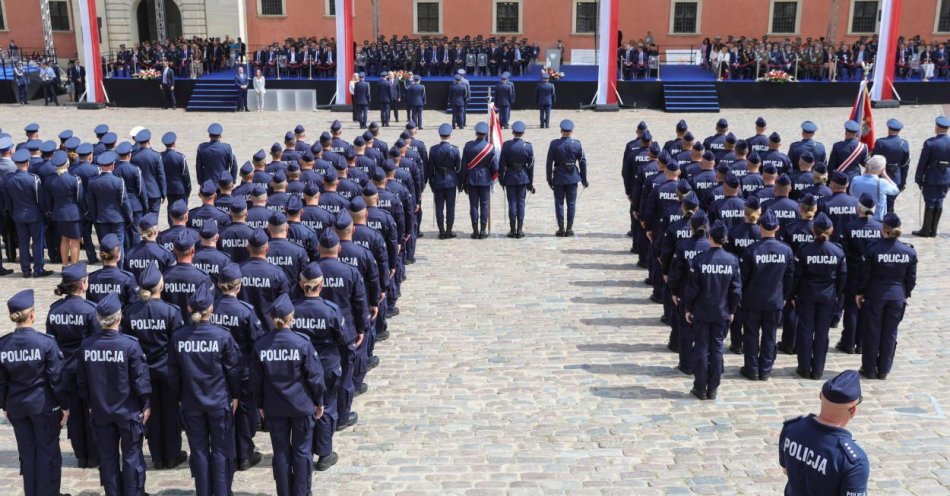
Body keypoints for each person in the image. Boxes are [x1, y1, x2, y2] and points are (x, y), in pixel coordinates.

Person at [169, 282, 241, 496]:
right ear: (212, 309)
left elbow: (172, 372)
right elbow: (233, 370)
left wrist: (180, 395)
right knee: (221, 450)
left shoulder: (179, 336)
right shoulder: (222, 336)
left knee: (199, 451)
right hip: (218, 401)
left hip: (191, 401)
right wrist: (235, 394)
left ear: (189, 309)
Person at [78, 293, 152, 496]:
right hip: (127, 411)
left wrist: (90, 403)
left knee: (108, 458)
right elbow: (140, 380)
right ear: (119, 318)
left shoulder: (87, 345)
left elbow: (82, 381)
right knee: (131, 457)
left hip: (101, 410)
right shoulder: (129, 345)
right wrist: (146, 403)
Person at [251, 294, 326, 496]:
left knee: (281, 453)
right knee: (302, 452)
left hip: (274, 407)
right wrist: (319, 401)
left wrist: (260, 404)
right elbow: (315, 377)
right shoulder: (301, 343)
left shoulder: (261, 345)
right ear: (291, 317)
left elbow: (256, 380)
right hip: (301, 406)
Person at [0, 289, 69, 496]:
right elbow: (57, 379)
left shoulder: (3, 345)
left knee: (27, 454)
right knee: (48, 453)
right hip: (44, 406)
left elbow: (1, 382)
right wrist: (64, 405)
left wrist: (5, 405)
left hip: (18, 407)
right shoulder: (45, 342)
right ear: (32, 315)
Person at [121, 262, 187, 470]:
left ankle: (157, 455)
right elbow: (178, 343)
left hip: (142, 371)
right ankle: (172, 454)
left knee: (150, 413)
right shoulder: (171, 311)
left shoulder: (131, 312)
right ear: (162, 286)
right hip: (166, 370)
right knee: (170, 413)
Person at [293, 263, 348, 471]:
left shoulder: (293, 310)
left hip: (300, 366)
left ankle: (304, 448)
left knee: (305, 406)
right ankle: (324, 452)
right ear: (321, 285)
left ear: (301, 284)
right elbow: (343, 338)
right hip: (326, 364)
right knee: (327, 406)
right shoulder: (330, 310)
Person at [779, 370, 869, 495]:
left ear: (820, 395)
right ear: (853, 410)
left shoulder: (791, 429)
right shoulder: (853, 461)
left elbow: (787, 470)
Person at [212, 263, 265, 470]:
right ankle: (243, 454)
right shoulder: (245, 311)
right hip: (241, 371)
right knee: (243, 413)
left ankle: (226, 453)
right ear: (239, 286)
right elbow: (257, 342)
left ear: (219, 285)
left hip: (216, 372)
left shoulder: (211, 309)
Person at [46, 265, 100, 469]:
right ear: (84, 284)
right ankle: (93, 455)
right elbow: (96, 343)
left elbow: (51, 342)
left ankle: (81, 455)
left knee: (74, 414)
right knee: (91, 411)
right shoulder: (90, 310)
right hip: (86, 369)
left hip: (63, 369)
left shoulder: (54, 310)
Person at [683, 220, 741, 400]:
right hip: (722, 311)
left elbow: (692, 288)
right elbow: (736, 289)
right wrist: (732, 310)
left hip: (701, 310)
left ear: (710, 237)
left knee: (701, 347)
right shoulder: (732, 260)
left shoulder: (700, 259)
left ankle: (700, 386)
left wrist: (688, 307)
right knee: (716, 349)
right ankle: (713, 387)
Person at [857, 213, 917, 380]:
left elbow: (865, 275)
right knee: (890, 333)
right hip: (897, 296)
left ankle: (869, 368)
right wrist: (906, 294)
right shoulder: (908, 251)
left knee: (872, 331)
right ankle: (884, 369)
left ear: (883, 230)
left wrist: (859, 292)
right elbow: (911, 278)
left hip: (875, 295)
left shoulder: (873, 249)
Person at [739, 211, 794, 381]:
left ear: (760, 227)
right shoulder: (786, 250)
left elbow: (743, 277)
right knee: (770, 335)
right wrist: (784, 296)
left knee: (751, 334)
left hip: (752, 299)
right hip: (775, 299)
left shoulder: (751, 250)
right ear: (777, 228)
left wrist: (741, 296)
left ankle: (752, 368)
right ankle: (765, 369)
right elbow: (789, 276)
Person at [793, 212, 846, 380]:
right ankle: (818, 369)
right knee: (822, 333)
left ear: (812, 231)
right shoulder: (837, 251)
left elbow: (798, 275)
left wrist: (793, 294)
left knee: (806, 331)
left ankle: (804, 366)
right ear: (831, 230)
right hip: (828, 295)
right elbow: (843, 276)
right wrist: (838, 295)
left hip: (807, 294)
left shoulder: (804, 249)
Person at [4, 149, 52, 278]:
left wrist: (13, 213)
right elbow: (39, 199)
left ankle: (25, 270)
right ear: (28, 162)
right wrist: (45, 213)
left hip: (18, 215)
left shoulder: (9, 180)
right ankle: (38, 269)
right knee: (37, 242)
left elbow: (9, 202)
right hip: (35, 215)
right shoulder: (33, 179)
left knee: (23, 243)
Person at [546, 119, 588, 237]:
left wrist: (549, 178)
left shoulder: (554, 144)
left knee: (559, 203)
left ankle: (561, 228)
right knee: (571, 203)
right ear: (572, 131)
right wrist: (584, 179)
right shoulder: (577, 144)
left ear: (561, 130)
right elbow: (582, 162)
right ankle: (569, 229)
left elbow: (549, 163)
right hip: (572, 177)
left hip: (559, 176)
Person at [45, 149, 84, 269]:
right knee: (75, 240)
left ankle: (64, 265)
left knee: (64, 239)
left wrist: (50, 211)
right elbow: (80, 198)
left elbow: (47, 199)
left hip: (59, 213)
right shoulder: (74, 179)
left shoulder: (49, 180)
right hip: (73, 213)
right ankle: (74, 266)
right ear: (67, 163)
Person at [87, 151, 133, 252]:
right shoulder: (118, 181)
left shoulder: (92, 182)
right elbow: (124, 201)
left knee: (105, 245)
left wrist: (95, 218)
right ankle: (119, 266)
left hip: (102, 218)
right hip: (118, 218)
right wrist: (129, 217)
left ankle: (107, 266)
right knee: (119, 245)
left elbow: (91, 203)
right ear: (113, 166)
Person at [912, 115, 950, 237]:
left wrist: (918, 178)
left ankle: (925, 230)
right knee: (939, 201)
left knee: (930, 201)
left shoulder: (930, 143)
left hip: (932, 177)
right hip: (946, 177)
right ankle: (933, 230)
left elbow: (923, 162)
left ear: (937, 128)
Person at [460, 122, 498, 239]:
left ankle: (475, 230)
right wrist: (493, 178)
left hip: (471, 178)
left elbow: (464, 166)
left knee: (473, 206)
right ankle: (483, 230)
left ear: (476, 133)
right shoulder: (490, 148)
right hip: (485, 178)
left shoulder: (468, 146)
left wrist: (463, 181)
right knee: (484, 205)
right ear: (486, 134)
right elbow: (495, 167)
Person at [499, 121, 535, 238]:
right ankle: (519, 229)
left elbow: (501, 164)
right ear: (523, 133)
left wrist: (501, 179)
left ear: (513, 132)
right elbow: (531, 167)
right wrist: (530, 182)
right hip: (523, 177)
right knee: (520, 203)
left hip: (510, 177)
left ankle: (512, 229)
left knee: (512, 203)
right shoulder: (528, 146)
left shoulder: (506, 145)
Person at [427, 123, 461, 239]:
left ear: (440, 135)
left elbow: (430, 168)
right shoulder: (455, 150)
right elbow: (458, 167)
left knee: (439, 207)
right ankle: (449, 230)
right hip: (451, 181)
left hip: (438, 180)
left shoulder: (433, 149)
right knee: (450, 207)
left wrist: (431, 182)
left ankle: (441, 231)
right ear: (449, 135)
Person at [872, 118, 910, 213]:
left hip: (882, 177)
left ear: (889, 129)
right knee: (891, 201)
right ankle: (890, 218)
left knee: (882, 202)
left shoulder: (880, 143)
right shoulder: (904, 144)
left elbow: (874, 162)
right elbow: (905, 165)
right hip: (897, 178)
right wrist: (903, 181)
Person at [848, 155, 899, 221]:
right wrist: (885, 175)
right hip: (876, 218)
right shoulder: (881, 182)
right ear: (882, 169)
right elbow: (895, 190)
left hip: (858, 216)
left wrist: (865, 171)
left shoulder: (855, 179)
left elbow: (851, 193)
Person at [131, 129, 167, 217]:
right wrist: (163, 192)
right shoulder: (156, 156)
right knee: (154, 217)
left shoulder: (134, 156)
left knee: (142, 218)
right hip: (154, 192)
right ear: (149, 140)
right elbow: (161, 175)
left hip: (139, 192)